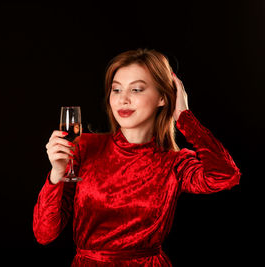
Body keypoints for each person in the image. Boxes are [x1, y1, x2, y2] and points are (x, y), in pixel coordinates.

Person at [33, 49, 241, 266]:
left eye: (136, 89)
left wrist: (184, 117)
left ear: (163, 97)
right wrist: (56, 174)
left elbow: (226, 176)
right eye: (116, 89)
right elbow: (44, 234)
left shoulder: (174, 162)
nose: (123, 99)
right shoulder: (83, 146)